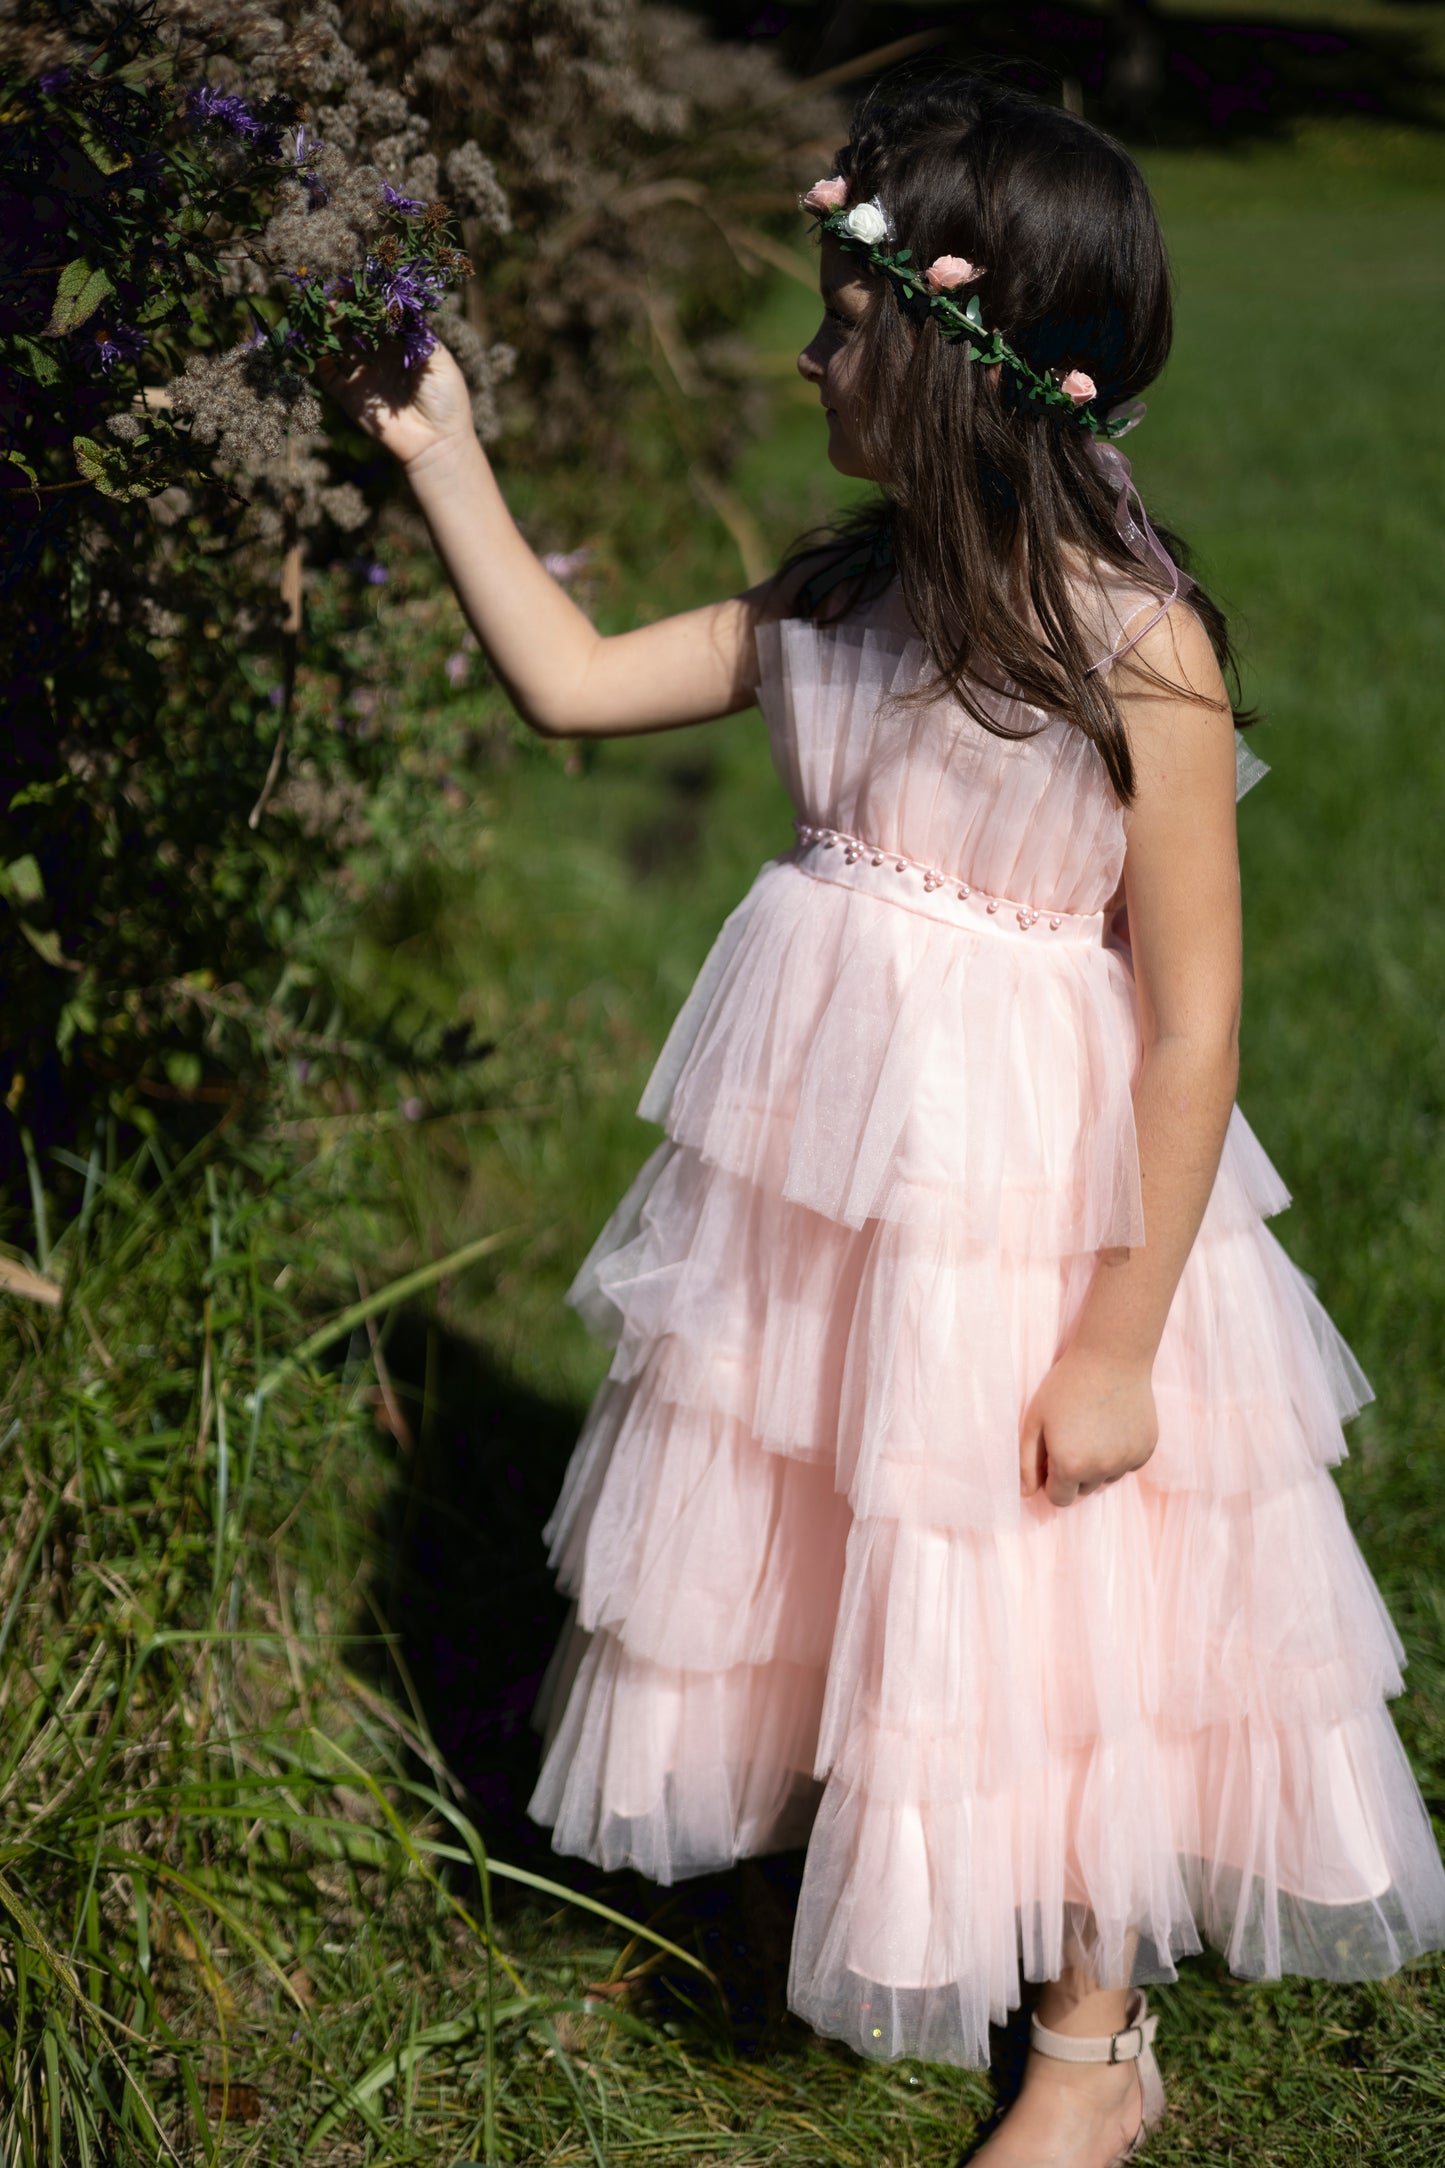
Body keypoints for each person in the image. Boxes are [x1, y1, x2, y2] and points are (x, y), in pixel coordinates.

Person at [324, 75, 1445, 2168]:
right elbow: (569, 681)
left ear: (962, 361)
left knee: (1068, 1597)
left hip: (1047, 1214)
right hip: (841, 1203)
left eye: (845, 325)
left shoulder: (1136, 649)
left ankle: (1095, 2038)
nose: (808, 359)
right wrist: (444, 453)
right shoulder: (837, 609)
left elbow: (1194, 1023)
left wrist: (1118, 1341)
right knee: (852, 1525)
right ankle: (884, 1850)